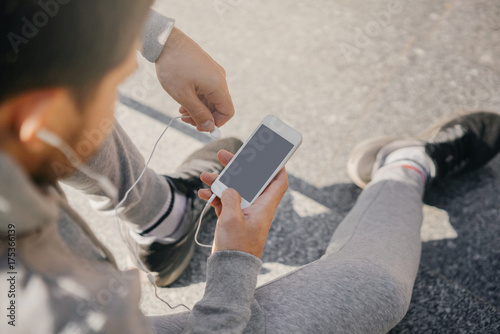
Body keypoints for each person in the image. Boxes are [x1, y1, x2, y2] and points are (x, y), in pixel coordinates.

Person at [1, 1, 500, 334]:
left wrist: (159, 39)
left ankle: (165, 219)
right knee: (374, 289)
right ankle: (405, 165)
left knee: (53, 93)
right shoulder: (57, 308)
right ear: (33, 120)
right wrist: (236, 260)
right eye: (116, 84)